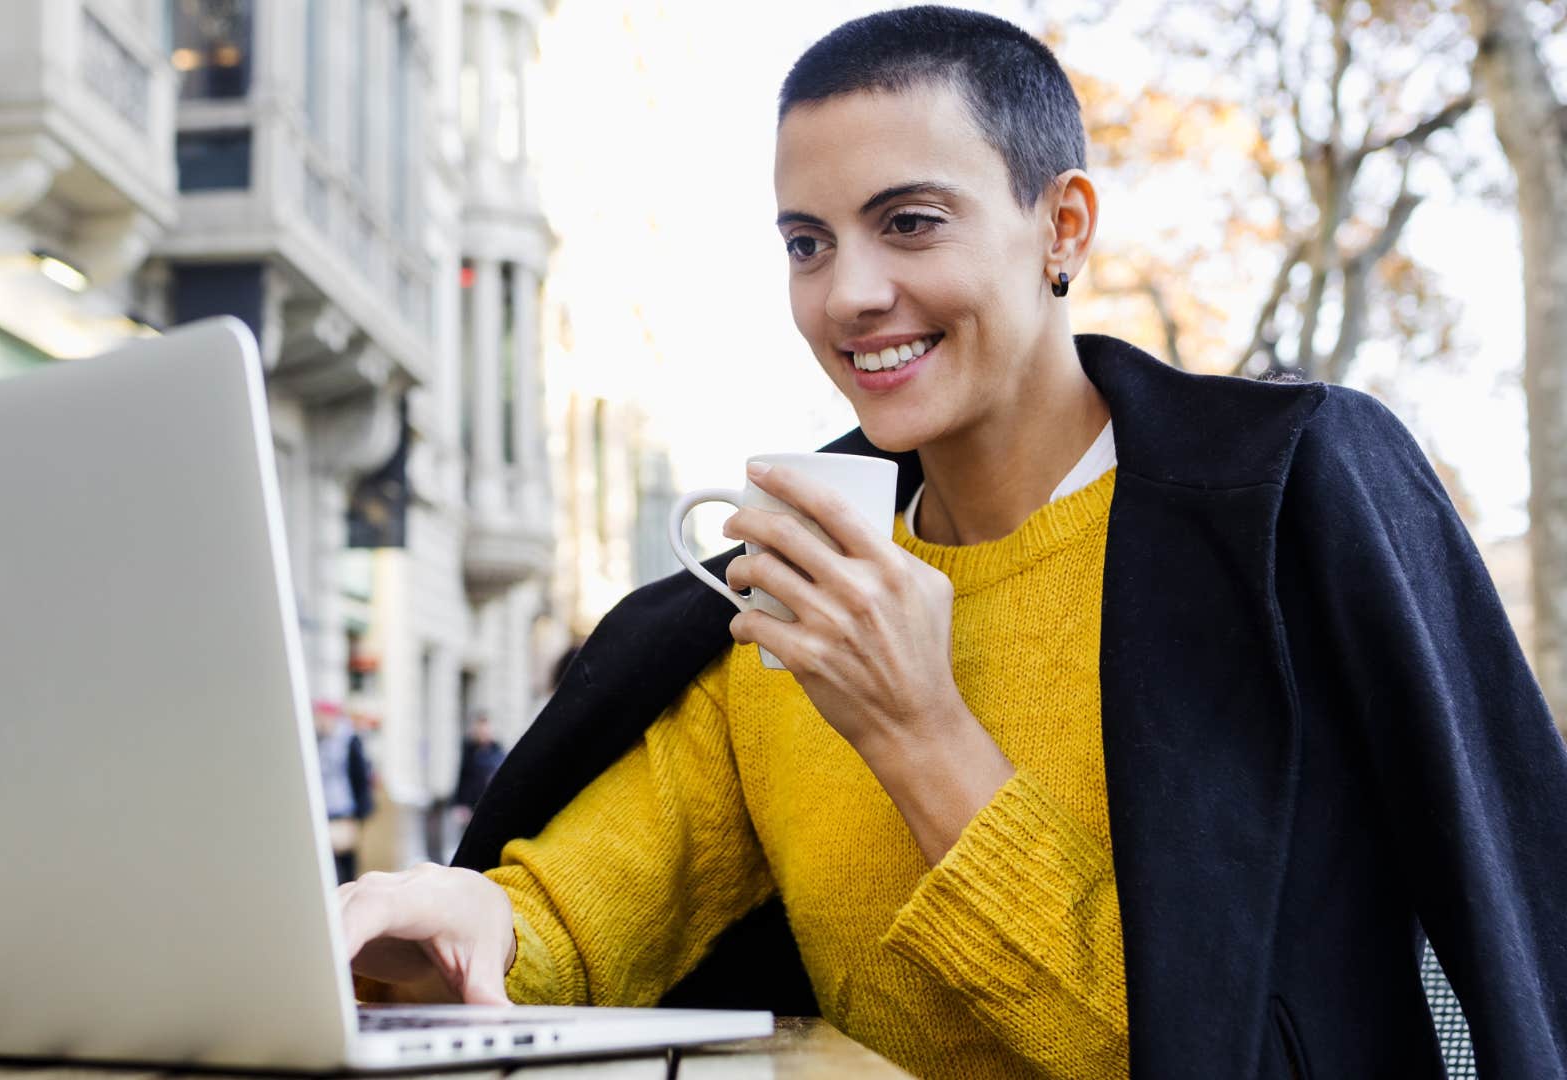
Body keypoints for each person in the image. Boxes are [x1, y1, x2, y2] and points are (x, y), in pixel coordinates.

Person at [337, 7, 1567, 1078]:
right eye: (806, 242)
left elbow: (1191, 1045)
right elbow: (581, 918)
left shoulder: (1283, 516)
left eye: (911, 223)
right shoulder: (790, 594)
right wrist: (459, 918)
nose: (847, 294)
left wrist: (917, 727)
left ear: (1063, 226)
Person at [313, 699, 375, 883]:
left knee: (344, 864)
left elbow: (360, 777)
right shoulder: (314, 740)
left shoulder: (348, 740)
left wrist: (360, 815)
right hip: (322, 811)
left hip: (343, 810)